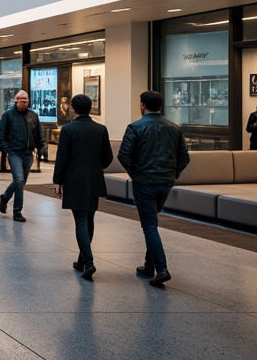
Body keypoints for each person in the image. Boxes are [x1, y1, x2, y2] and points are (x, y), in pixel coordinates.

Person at [118, 90, 190, 287]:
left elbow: (124, 155)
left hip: (144, 183)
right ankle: (148, 266)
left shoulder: (135, 127)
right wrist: (172, 174)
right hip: (165, 183)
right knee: (152, 222)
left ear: (142, 105)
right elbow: (184, 157)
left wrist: (135, 173)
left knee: (149, 225)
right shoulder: (174, 128)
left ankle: (162, 268)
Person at [52, 93, 112, 280]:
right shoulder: (101, 129)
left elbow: (62, 158)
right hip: (93, 179)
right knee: (89, 217)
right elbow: (108, 157)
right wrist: (95, 166)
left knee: (80, 220)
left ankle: (89, 262)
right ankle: (81, 260)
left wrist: (58, 180)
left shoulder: (68, 130)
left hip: (75, 180)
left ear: (73, 108)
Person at [0, 90, 42, 222]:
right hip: (15, 153)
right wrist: (8, 149)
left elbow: (38, 134)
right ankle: (17, 211)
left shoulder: (33, 115)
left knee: (20, 181)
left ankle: (5, 197)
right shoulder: (8, 115)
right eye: (21, 99)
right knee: (20, 180)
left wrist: (41, 148)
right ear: (16, 100)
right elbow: (1, 135)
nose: (23, 101)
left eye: (26, 99)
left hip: (28, 154)